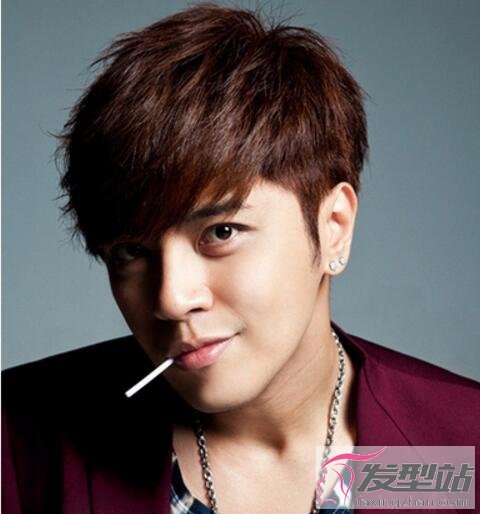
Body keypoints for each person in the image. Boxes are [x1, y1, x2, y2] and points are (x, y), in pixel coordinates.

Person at [3, 4, 479, 514]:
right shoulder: (21, 445)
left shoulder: (458, 448)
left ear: (333, 227)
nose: (171, 299)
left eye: (221, 232)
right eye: (131, 251)